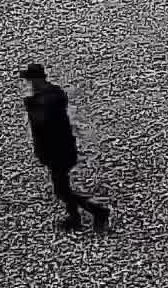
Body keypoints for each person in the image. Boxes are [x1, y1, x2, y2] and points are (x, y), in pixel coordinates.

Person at [18, 63, 111, 234]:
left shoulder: (46, 99)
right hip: (61, 147)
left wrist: (32, 106)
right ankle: (75, 218)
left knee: (62, 190)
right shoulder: (53, 93)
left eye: (30, 80)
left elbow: (42, 123)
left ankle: (97, 211)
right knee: (62, 187)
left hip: (57, 150)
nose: (29, 83)